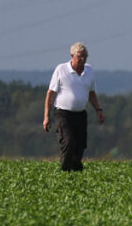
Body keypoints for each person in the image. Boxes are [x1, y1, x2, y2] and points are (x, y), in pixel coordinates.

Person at [42, 42, 105, 171]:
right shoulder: (61, 70)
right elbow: (51, 93)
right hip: (63, 114)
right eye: (80, 56)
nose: (82, 59)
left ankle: (76, 174)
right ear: (72, 56)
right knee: (69, 142)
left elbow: (91, 93)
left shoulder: (89, 71)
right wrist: (46, 116)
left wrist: (98, 110)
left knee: (80, 146)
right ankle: (65, 172)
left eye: (85, 56)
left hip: (81, 114)